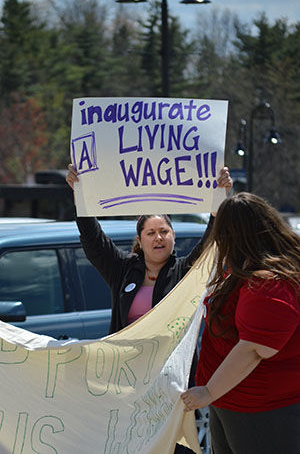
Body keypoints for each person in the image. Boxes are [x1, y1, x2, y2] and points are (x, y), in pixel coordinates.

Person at [66, 163, 232, 454]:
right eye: (151, 232)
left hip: (171, 388)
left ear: (173, 237)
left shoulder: (183, 272)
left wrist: (219, 198)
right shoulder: (122, 270)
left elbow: (210, 242)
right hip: (128, 384)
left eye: (164, 231)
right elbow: (92, 240)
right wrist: (80, 194)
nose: (159, 237)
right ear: (140, 241)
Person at [181, 192, 300, 454]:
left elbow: (256, 349)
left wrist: (209, 392)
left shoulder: (269, 282)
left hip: (262, 411)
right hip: (235, 404)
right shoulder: (246, 268)